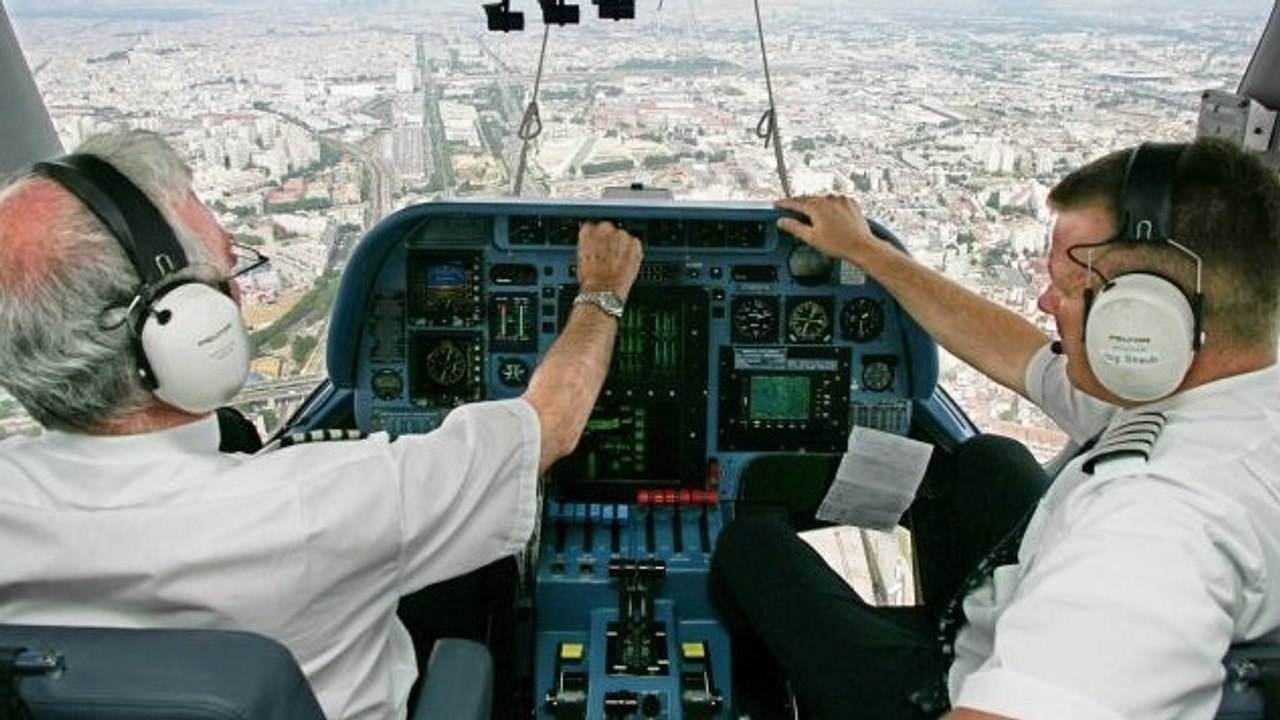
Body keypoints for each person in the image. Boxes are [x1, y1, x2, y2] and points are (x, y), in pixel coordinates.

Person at [0, 129, 643, 720]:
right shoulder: (317, 503)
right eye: (225, 274)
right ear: (181, 326)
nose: (238, 295)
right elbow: (549, 427)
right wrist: (602, 291)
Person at [711, 136, 1280, 719]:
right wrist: (868, 253)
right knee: (989, 459)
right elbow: (1022, 355)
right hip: (1006, 615)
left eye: (1068, 286)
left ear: (1145, 319)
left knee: (749, 546)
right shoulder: (1221, 388)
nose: (1043, 301)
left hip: (949, 690)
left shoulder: (1155, 528)